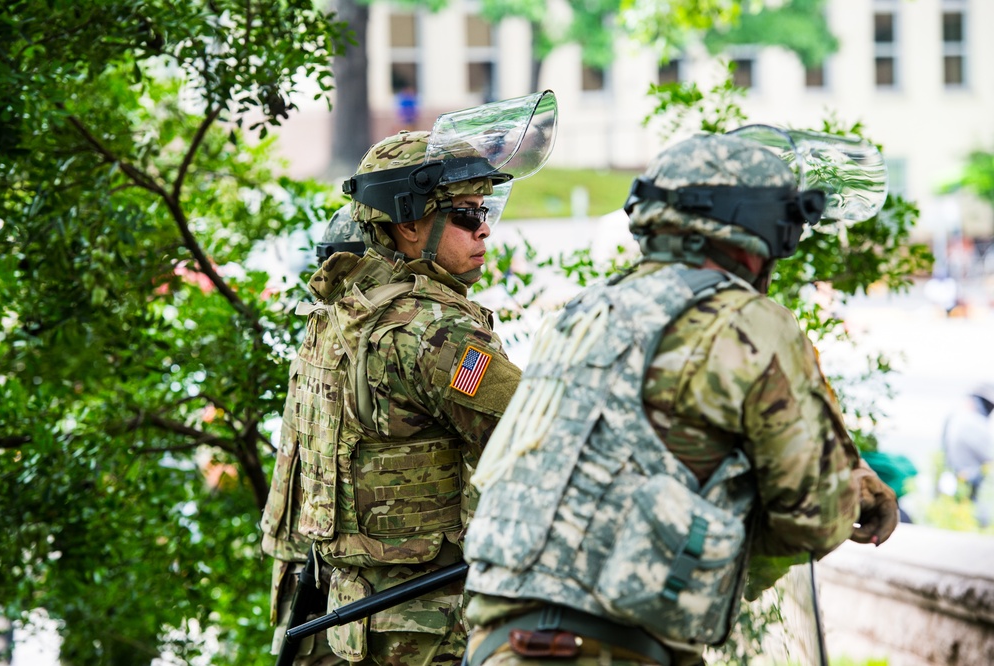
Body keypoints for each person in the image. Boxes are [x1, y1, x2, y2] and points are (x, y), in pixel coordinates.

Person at [460, 130, 899, 666]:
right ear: (761, 229)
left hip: (495, 641)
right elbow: (812, 514)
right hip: (611, 649)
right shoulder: (749, 322)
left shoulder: (585, 311)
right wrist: (852, 489)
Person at [259, 91, 558, 666]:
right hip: (426, 630)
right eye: (468, 214)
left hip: (343, 624)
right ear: (409, 224)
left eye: (487, 212)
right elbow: (540, 442)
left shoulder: (341, 304)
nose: (484, 232)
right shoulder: (436, 336)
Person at [941, 383, 994, 523]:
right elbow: (990, 454)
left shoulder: (957, 418)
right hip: (969, 483)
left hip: (958, 480)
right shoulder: (973, 423)